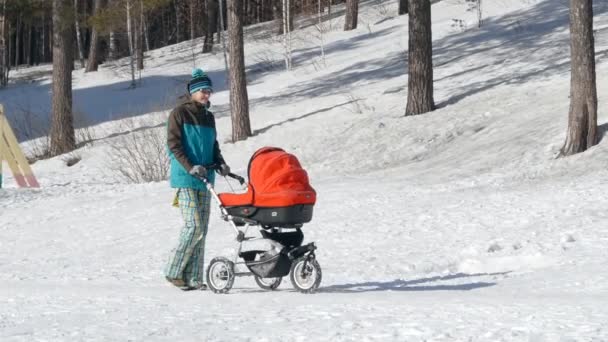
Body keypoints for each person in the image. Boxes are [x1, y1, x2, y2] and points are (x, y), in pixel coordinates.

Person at [164, 68, 231, 291]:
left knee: (202, 229)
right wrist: (190, 166)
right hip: (186, 177)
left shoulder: (209, 117)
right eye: (202, 90)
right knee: (193, 225)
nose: (206, 94)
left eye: (209, 90)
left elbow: (213, 145)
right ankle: (173, 271)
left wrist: (220, 162)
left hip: (206, 177)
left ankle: (193, 278)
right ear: (192, 92)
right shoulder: (179, 113)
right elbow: (173, 145)